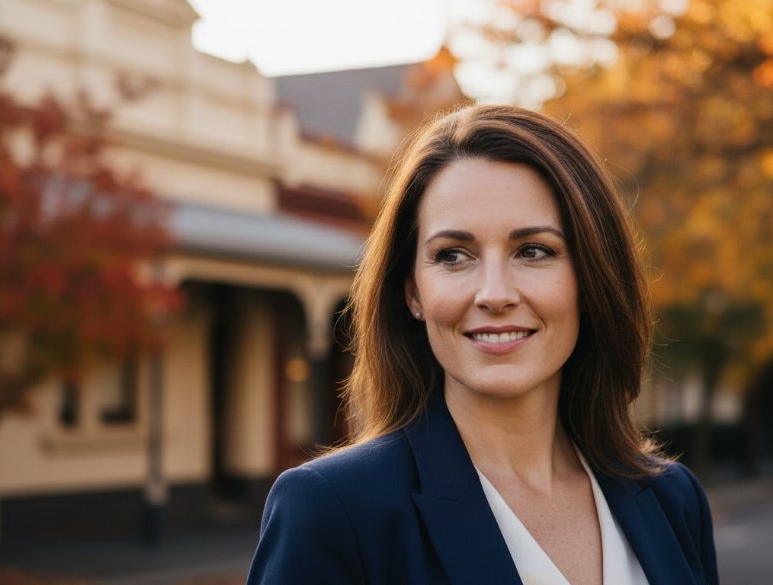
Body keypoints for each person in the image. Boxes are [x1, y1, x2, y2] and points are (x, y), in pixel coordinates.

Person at [247, 104, 719, 585]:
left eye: (533, 251)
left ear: (590, 275)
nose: (494, 294)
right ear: (413, 291)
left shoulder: (672, 500)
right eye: (453, 256)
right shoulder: (334, 510)